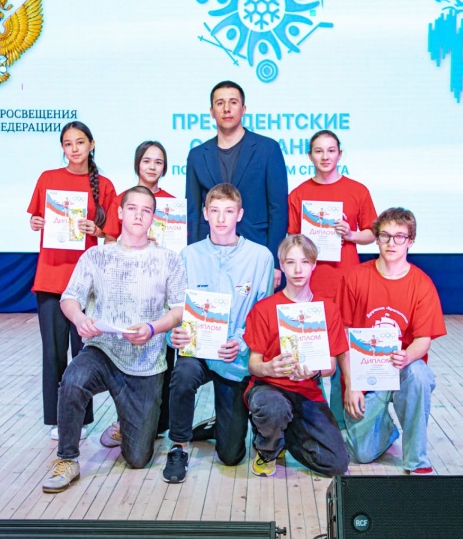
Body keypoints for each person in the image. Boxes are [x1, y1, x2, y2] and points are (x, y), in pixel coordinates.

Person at [42, 186, 187, 493]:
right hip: (103, 351)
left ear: (154, 217)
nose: (138, 215)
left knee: (138, 459)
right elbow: (69, 298)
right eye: (132, 208)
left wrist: (153, 328)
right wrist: (79, 319)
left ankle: (125, 425)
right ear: (120, 212)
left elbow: (178, 310)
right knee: (73, 380)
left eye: (146, 210)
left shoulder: (169, 259)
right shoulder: (96, 256)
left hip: (146, 362)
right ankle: (67, 459)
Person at [161, 183, 274, 483]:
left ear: (240, 214)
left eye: (228, 211)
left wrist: (242, 342)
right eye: (215, 211)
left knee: (231, 455)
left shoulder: (261, 257)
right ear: (205, 214)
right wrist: (173, 335)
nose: (221, 218)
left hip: (234, 356)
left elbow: (263, 314)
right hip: (197, 351)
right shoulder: (188, 255)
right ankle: (179, 446)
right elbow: (175, 308)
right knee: (183, 374)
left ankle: (218, 425)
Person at [336, 207, 446, 474]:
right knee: (362, 455)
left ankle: (416, 460)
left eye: (399, 237)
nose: (391, 243)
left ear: (410, 241)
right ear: (376, 239)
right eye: (385, 236)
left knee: (419, 375)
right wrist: (351, 383)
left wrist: (407, 356)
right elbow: (342, 335)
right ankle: (386, 428)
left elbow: (423, 340)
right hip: (364, 374)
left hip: (401, 369)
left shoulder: (422, 284)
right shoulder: (355, 277)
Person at [27, 121, 116, 439]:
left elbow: (113, 234)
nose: (74, 148)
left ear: (92, 144)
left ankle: (80, 417)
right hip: (50, 277)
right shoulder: (48, 179)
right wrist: (36, 222)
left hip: (85, 282)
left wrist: (98, 230)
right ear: (62, 148)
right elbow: (36, 218)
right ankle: (57, 419)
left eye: (80, 142)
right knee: (53, 352)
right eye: (68, 143)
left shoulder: (104, 185)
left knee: (83, 353)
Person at [242, 235, 349, 477]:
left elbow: (331, 366)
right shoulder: (264, 308)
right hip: (269, 388)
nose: (298, 270)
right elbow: (253, 363)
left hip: (306, 390)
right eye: (290, 262)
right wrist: (269, 368)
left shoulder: (328, 309)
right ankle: (268, 448)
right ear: (281, 265)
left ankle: (283, 436)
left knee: (336, 464)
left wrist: (315, 371)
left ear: (314, 264)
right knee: (274, 408)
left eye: (304, 262)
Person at [100, 140, 176, 447]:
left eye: (158, 162)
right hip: (126, 291)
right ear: (137, 164)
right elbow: (108, 243)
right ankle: (125, 420)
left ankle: (157, 423)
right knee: (125, 356)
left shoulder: (173, 204)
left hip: (159, 291)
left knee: (162, 358)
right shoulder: (123, 199)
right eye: (147, 160)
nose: (152, 166)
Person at [185, 80, 288, 281]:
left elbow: (278, 209)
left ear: (243, 109)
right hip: (209, 254)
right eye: (220, 103)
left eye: (233, 102)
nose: (226, 108)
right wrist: (194, 258)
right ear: (211, 111)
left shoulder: (268, 149)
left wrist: (275, 263)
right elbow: (193, 212)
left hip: (256, 250)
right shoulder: (197, 155)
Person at [287, 130, 377, 302]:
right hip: (311, 277)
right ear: (310, 156)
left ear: (339, 154)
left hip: (346, 273)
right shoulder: (298, 194)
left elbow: (372, 233)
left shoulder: (358, 191)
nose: (325, 157)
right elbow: (293, 239)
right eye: (318, 151)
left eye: (331, 151)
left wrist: (350, 235)